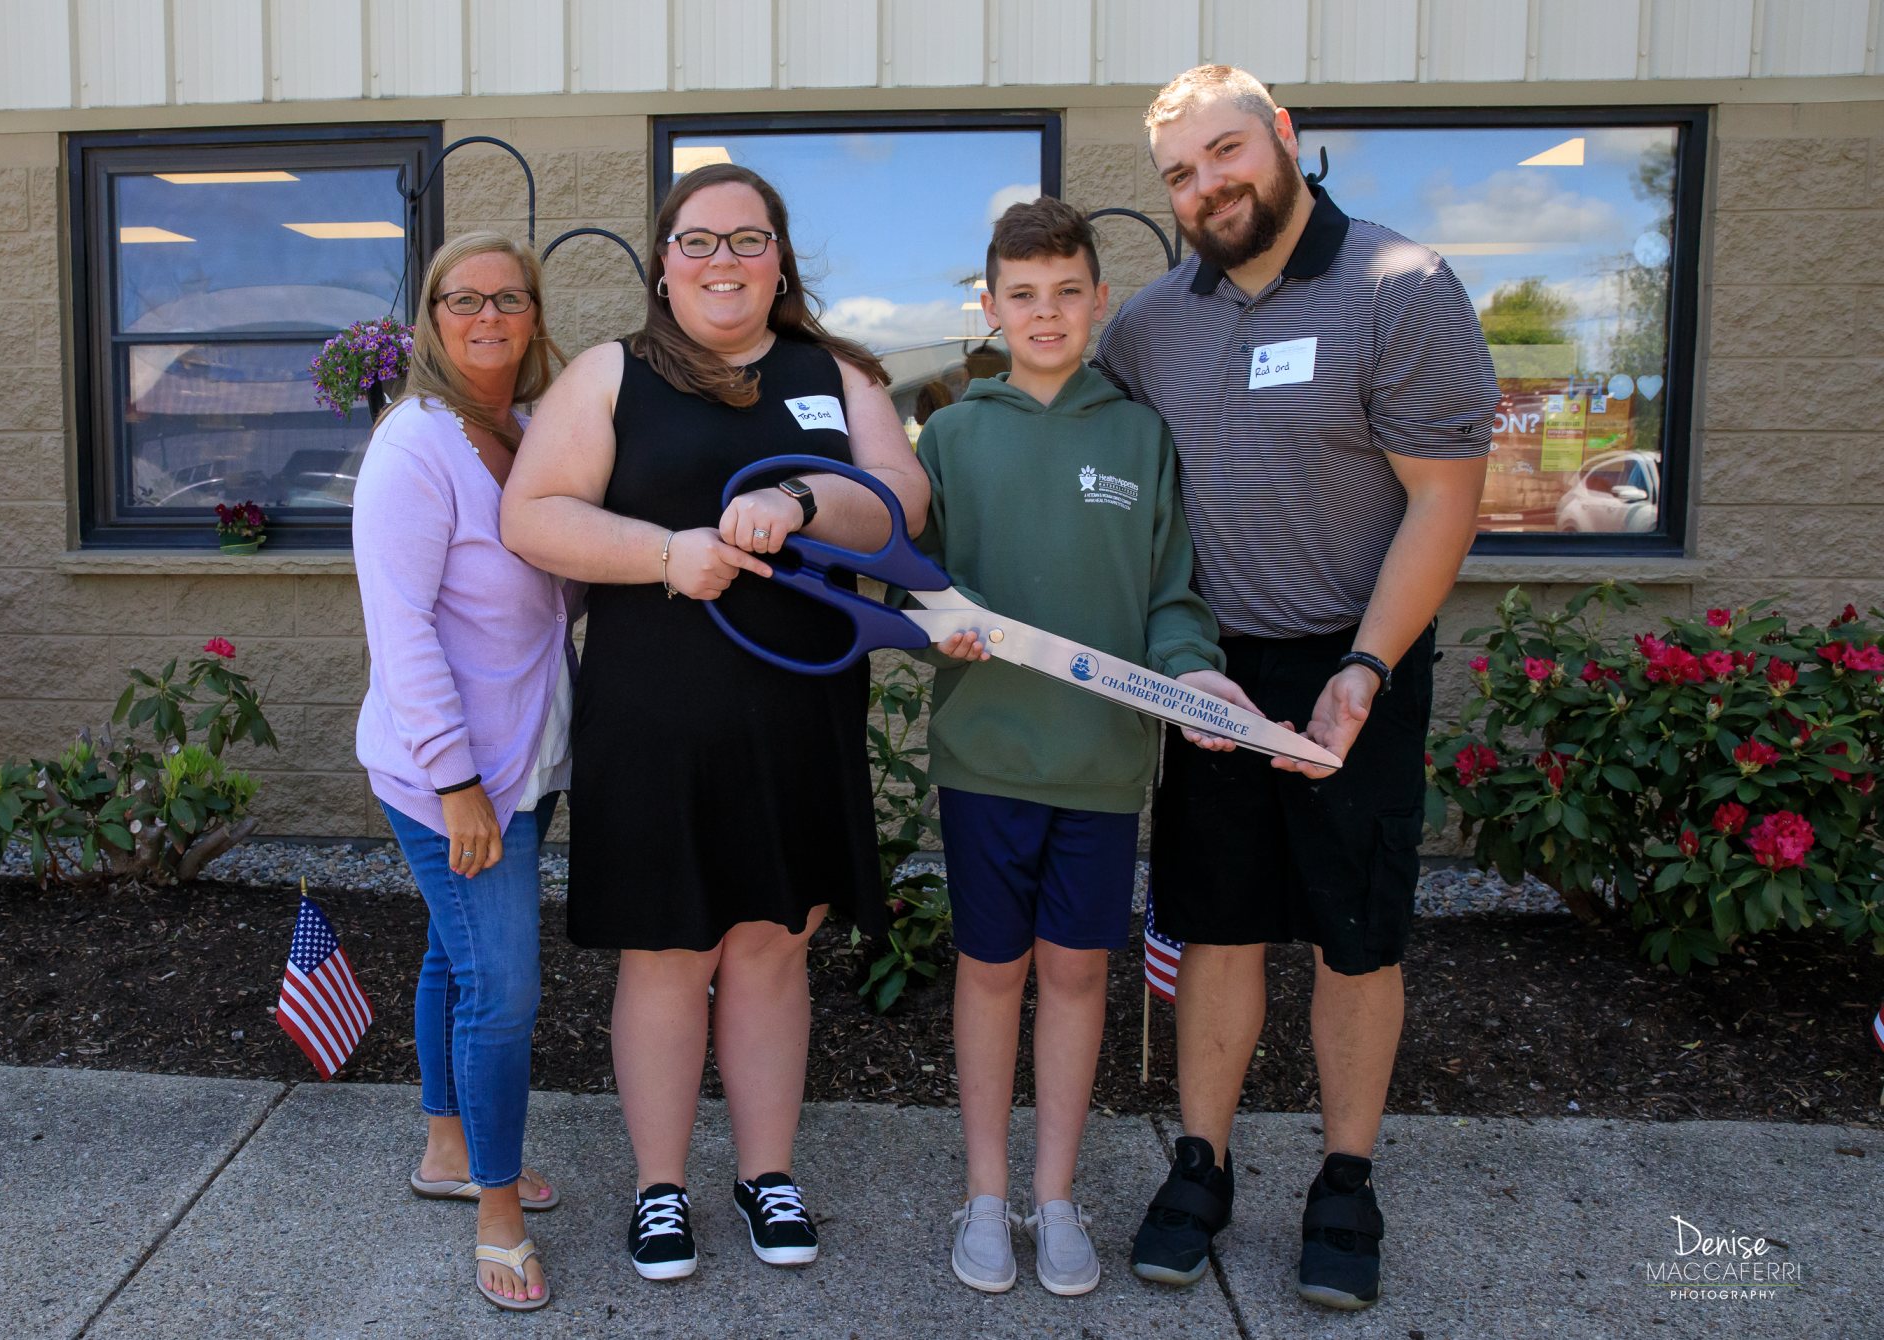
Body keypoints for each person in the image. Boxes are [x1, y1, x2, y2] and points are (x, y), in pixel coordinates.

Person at [1094, 65, 1499, 1311]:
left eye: (1224, 153)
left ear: (1281, 138)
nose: (1205, 186)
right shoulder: (1150, 324)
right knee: (1213, 920)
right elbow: (1088, 458)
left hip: (1355, 652)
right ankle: (1201, 1162)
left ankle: (1343, 1178)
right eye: (1178, 173)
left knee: (1351, 930)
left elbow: (1445, 498)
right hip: (1210, 671)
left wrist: (1366, 668)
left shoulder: (1399, 286)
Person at [501, 163, 928, 1282]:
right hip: (655, 711)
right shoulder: (611, 374)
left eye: (747, 240)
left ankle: (766, 1170)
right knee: (666, 949)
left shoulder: (832, 374)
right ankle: (659, 1186)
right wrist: (661, 551)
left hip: (796, 707)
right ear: (661, 262)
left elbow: (898, 499)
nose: (723, 261)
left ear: (780, 259)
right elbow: (531, 513)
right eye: (698, 241)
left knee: (772, 942)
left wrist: (793, 502)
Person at [911, 196, 1258, 1299]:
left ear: (1098, 300)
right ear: (990, 305)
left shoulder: (1136, 433)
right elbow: (913, 588)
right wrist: (936, 617)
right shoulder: (953, 434)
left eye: (1067, 292)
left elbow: (1170, 596)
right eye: (1022, 295)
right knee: (990, 968)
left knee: (1072, 973)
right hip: (984, 760)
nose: (1046, 312)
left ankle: (1052, 1195)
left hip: (1104, 765)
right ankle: (982, 1190)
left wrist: (1191, 667)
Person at [352, 231, 579, 1313]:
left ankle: (447, 1144)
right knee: (503, 987)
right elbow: (399, 629)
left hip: (521, 762)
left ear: (534, 314)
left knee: (457, 956)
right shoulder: (416, 443)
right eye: (462, 298)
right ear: (430, 317)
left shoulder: (529, 429)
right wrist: (455, 782)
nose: (486, 316)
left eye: (508, 298)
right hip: (446, 776)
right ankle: (496, 1209)